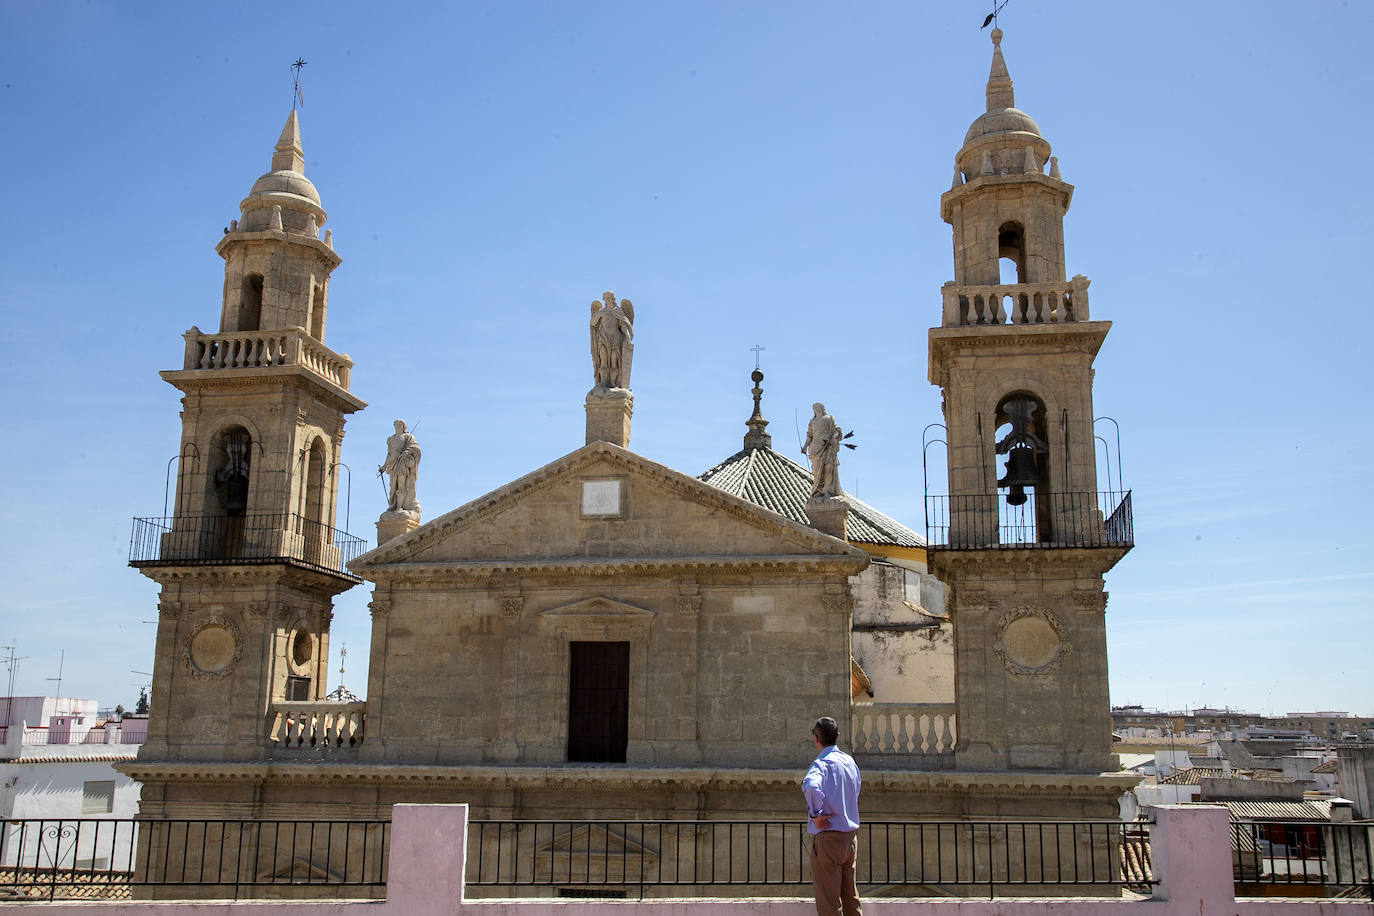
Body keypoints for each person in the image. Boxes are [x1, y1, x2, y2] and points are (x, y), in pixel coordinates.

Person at [802, 716, 863, 916]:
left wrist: (815, 815)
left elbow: (811, 786)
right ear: (837, 736)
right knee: (850, 897)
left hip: (829, 838)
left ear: (816, 739)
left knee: (829, 901)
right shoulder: (849, 762)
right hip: (850, 838)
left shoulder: (822, 764)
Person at [379, 419, 421, 514]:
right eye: (396, 425)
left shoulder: (408, 437)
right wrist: (384, 466)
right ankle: (393, 504)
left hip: (402, 463)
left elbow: (415, 447)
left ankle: (399, 506)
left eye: (400, 425)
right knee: (393, 487)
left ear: (403, 427)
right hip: (393, 465)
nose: (397, 427)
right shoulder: (391, 439)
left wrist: (407, 451)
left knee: (401, 485)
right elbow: (389, 454)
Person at [801, 403, 842, 498]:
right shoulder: (812, 421)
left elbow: (837, 429)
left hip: (828, 447)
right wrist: (805, 447)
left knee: (829, 467)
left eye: (817, 407)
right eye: (814, 408)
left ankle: (828, 490)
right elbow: (809, 436)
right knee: (816, 471)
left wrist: (834, 437)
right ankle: (818, 490)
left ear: (822, 408)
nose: (816, 409)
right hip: (815, 448)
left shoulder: (829, 418)